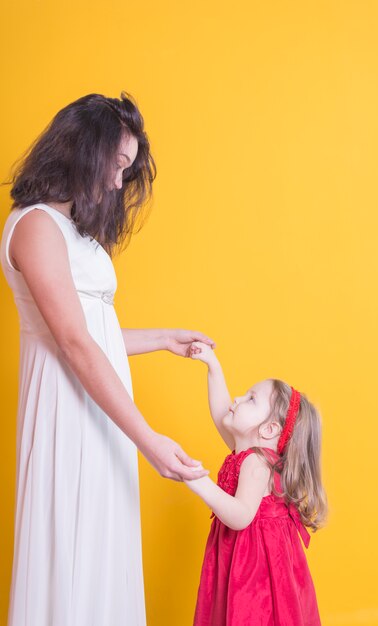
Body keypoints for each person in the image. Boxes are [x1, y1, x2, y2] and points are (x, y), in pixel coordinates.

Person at [0, 92, 212, 626]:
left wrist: (164, 338)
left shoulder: (74, 231)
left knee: (101, 551)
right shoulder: (35, 226)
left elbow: (96, 331)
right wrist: (150, 441)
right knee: (70, 550)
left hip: (104, 413)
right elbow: (72, 342)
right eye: (117, 165)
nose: (120, 183)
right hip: (68, 414)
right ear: (85, 149)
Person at [185, 341, 328, 626]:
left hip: (254, 563)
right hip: (250, 553)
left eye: (250, 399)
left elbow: (240, 516)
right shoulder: (247, 450)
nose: (237, 399)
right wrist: (213, 366)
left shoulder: (256, 462)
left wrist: (198, 481)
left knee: (253, 614)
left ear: (269, 429)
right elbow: (220, 414)